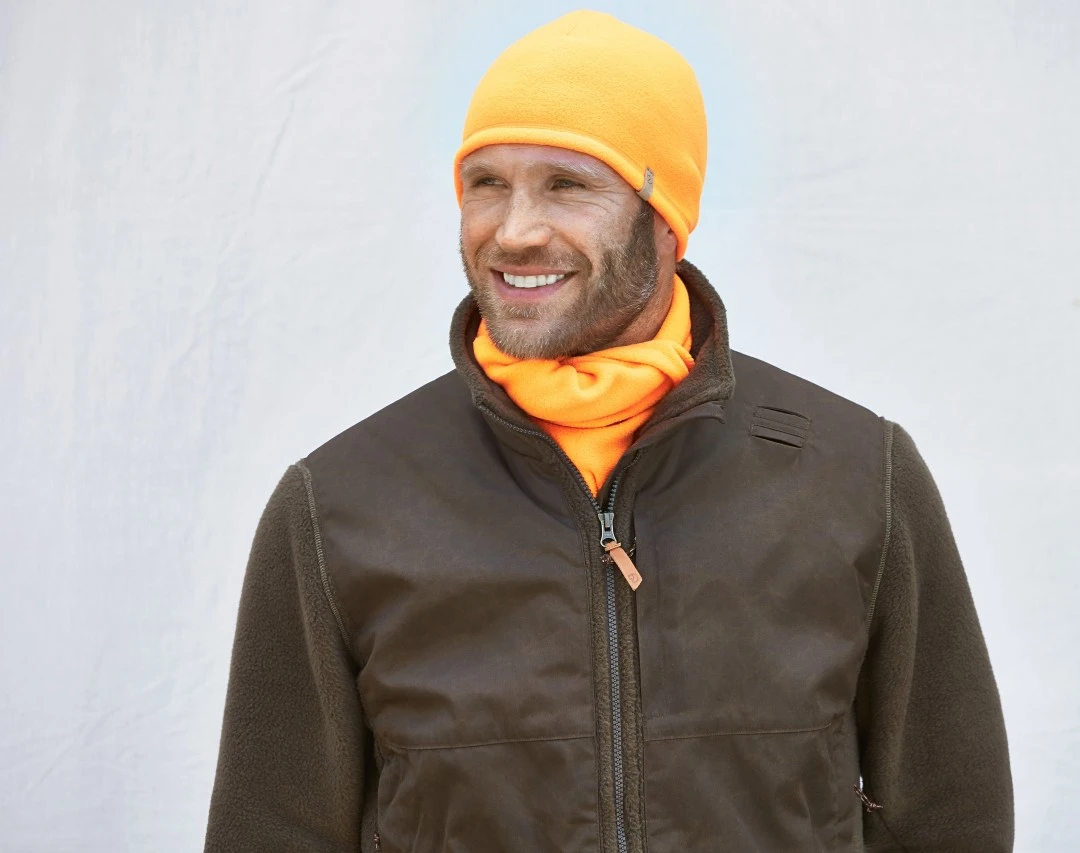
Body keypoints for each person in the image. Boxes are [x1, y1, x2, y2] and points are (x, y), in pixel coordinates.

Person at [203, 9, 1014, 852]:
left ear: (666, 218)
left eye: (566, 185)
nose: (514, 231)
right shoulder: (341, 504)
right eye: (486, 183)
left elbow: (950, 818)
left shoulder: (855, 474)